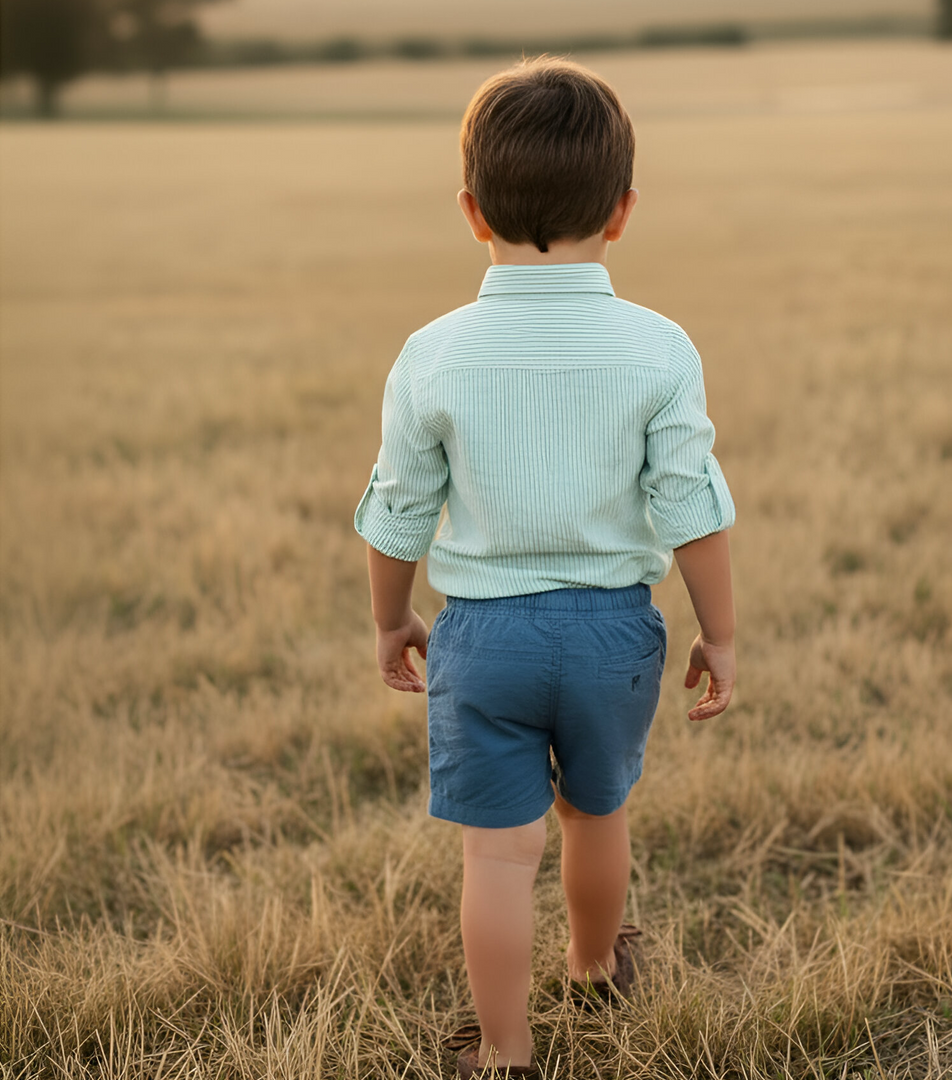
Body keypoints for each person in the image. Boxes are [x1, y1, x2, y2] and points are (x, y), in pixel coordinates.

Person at [355, 56, 737, 1080]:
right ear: (622, 210)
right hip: (614, 630)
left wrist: (391, 619)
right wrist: (724, 633)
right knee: (596, 815)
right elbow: (690, 507)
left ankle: (504, 1050)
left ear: (472, 211)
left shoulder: (434, 352)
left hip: (484, 637)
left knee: (497, 854)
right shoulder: (659, 348)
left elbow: (398, 511)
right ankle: (593, 966)